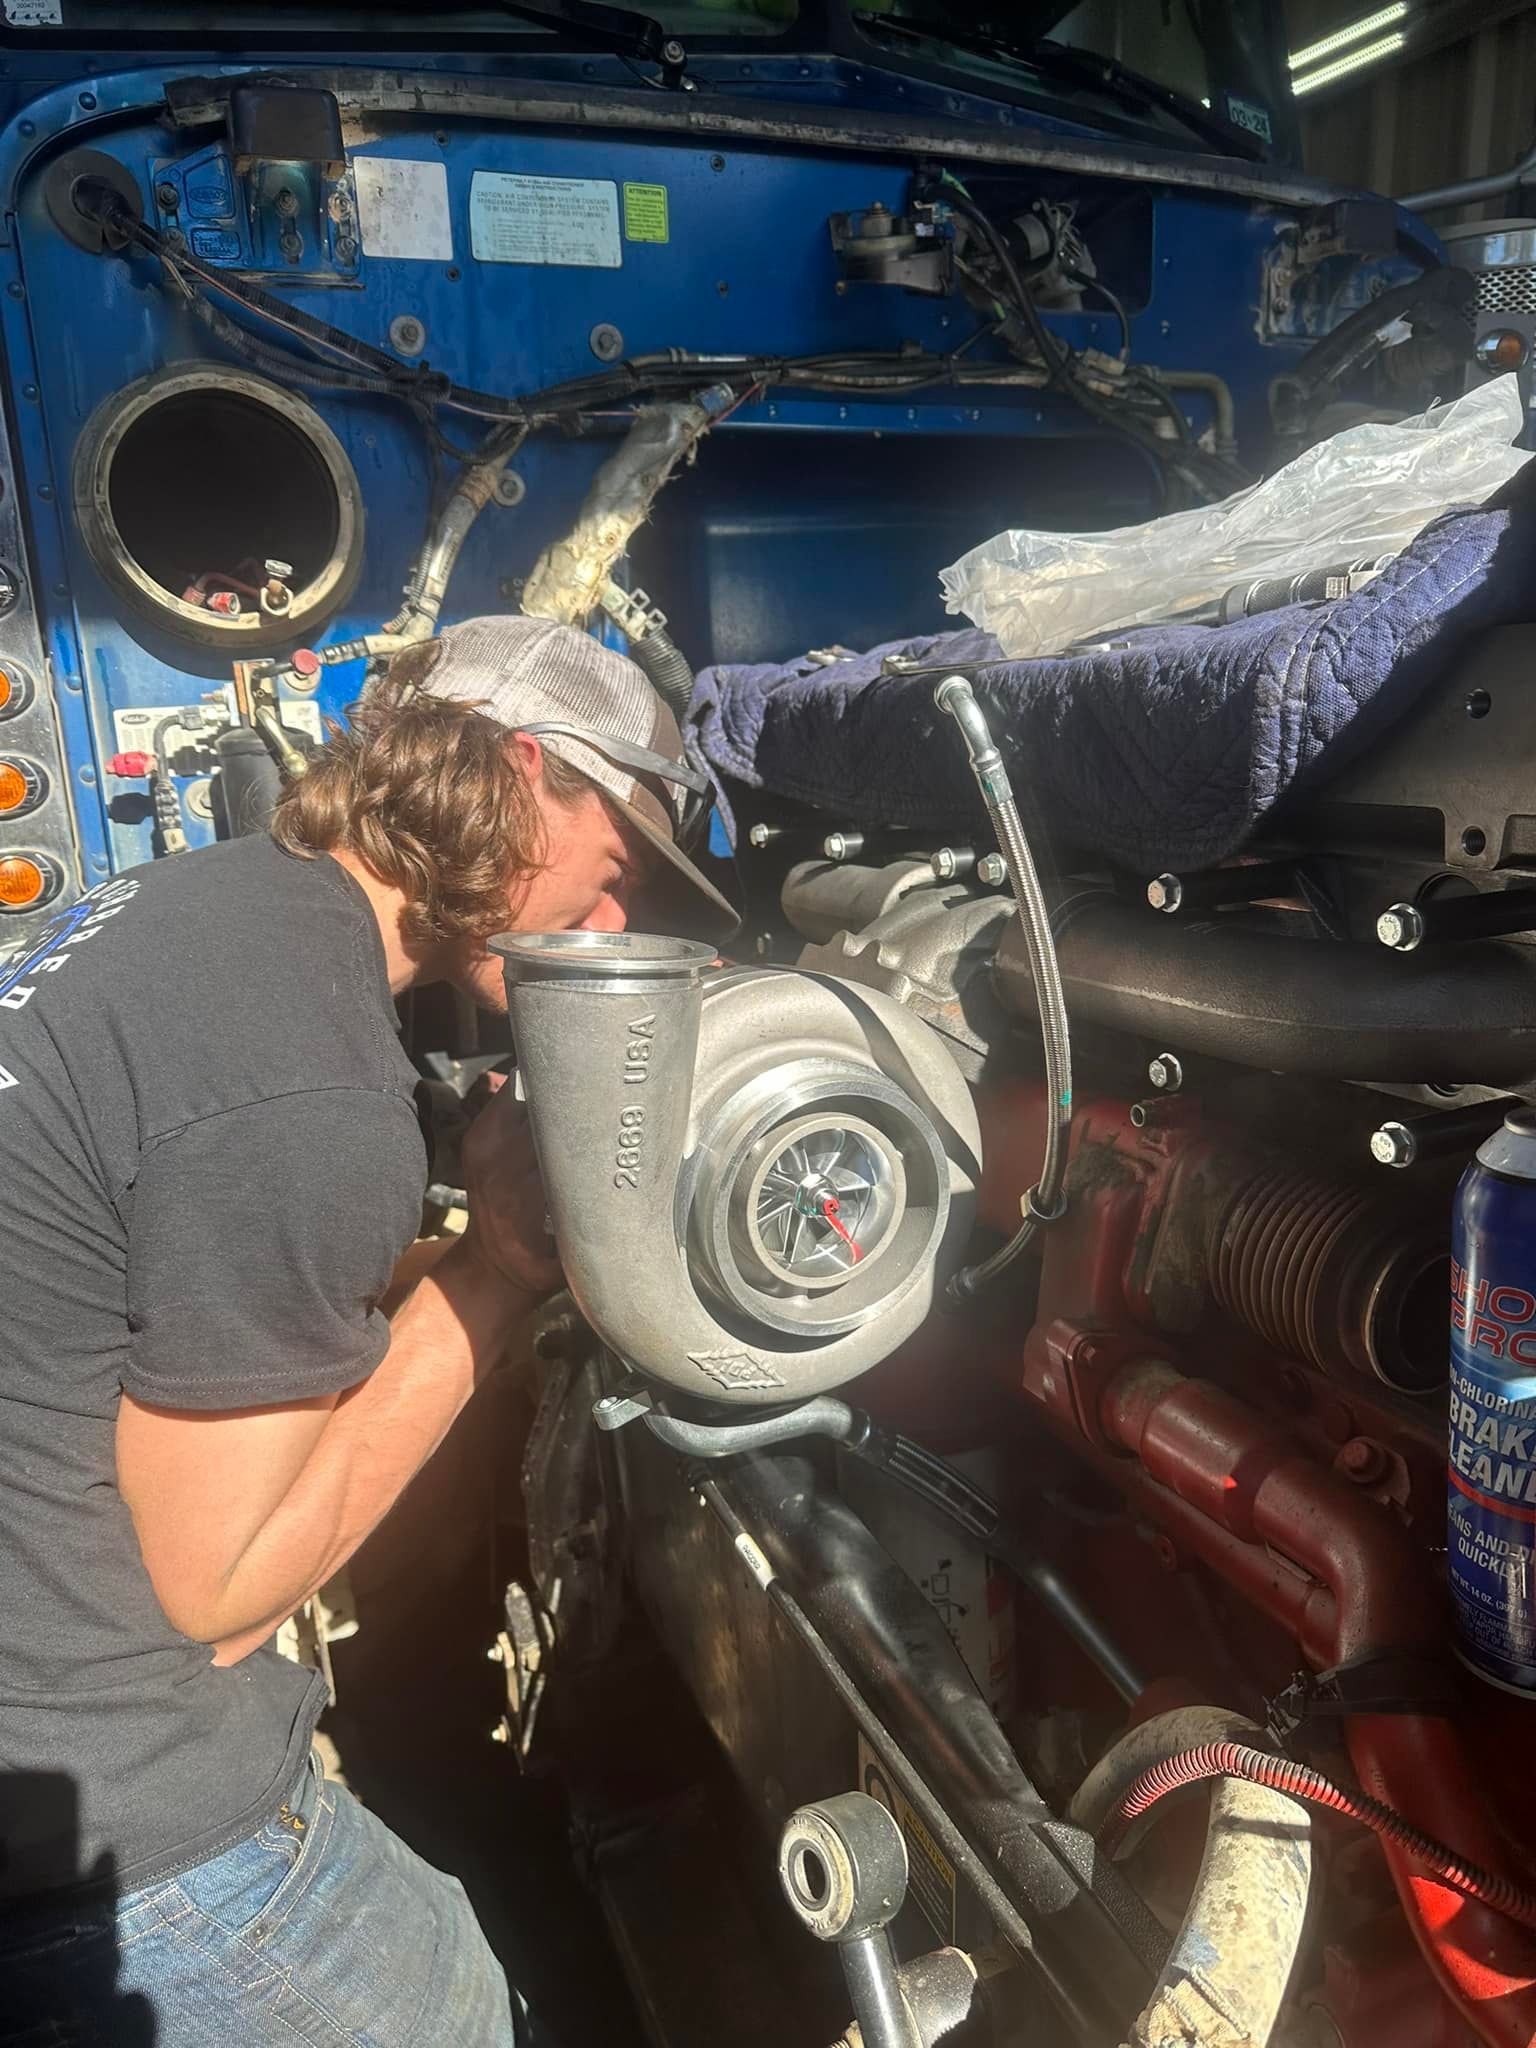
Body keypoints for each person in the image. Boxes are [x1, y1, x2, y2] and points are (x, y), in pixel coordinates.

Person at [0, 616, 736, 2046]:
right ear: (520, 773)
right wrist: (497, 1272)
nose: (611, 928)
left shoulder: (208, 905)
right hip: (98, 1816)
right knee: (465, 2007)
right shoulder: (310, 1087)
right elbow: (219, 1595)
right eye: (616, 871)